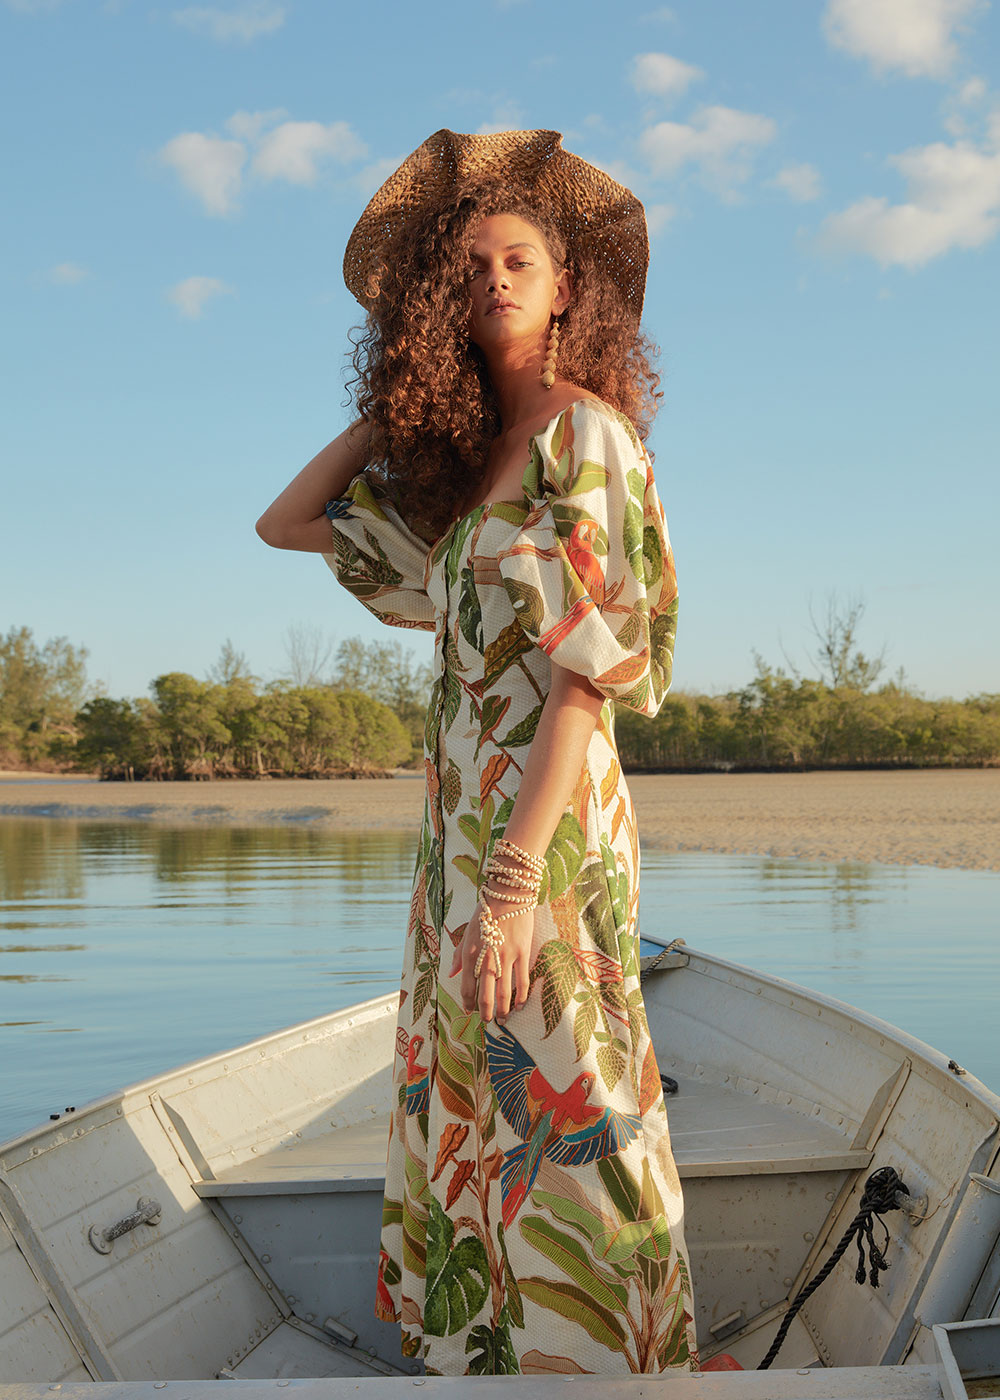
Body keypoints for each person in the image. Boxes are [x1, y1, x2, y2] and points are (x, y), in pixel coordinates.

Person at [256, 128, 697, 1377]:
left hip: (541, 827)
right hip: (457, 830)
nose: (494, 280)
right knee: (475, 1087)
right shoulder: (463, 481)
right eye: (466, 271)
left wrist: (512, 881)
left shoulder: (584, 437)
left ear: (567, 289)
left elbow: (585, 677)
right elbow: (286, 521)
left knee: (569, 1087)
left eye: (517, 261)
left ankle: (612, 1366)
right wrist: (400, 397)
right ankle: (497, 1360)